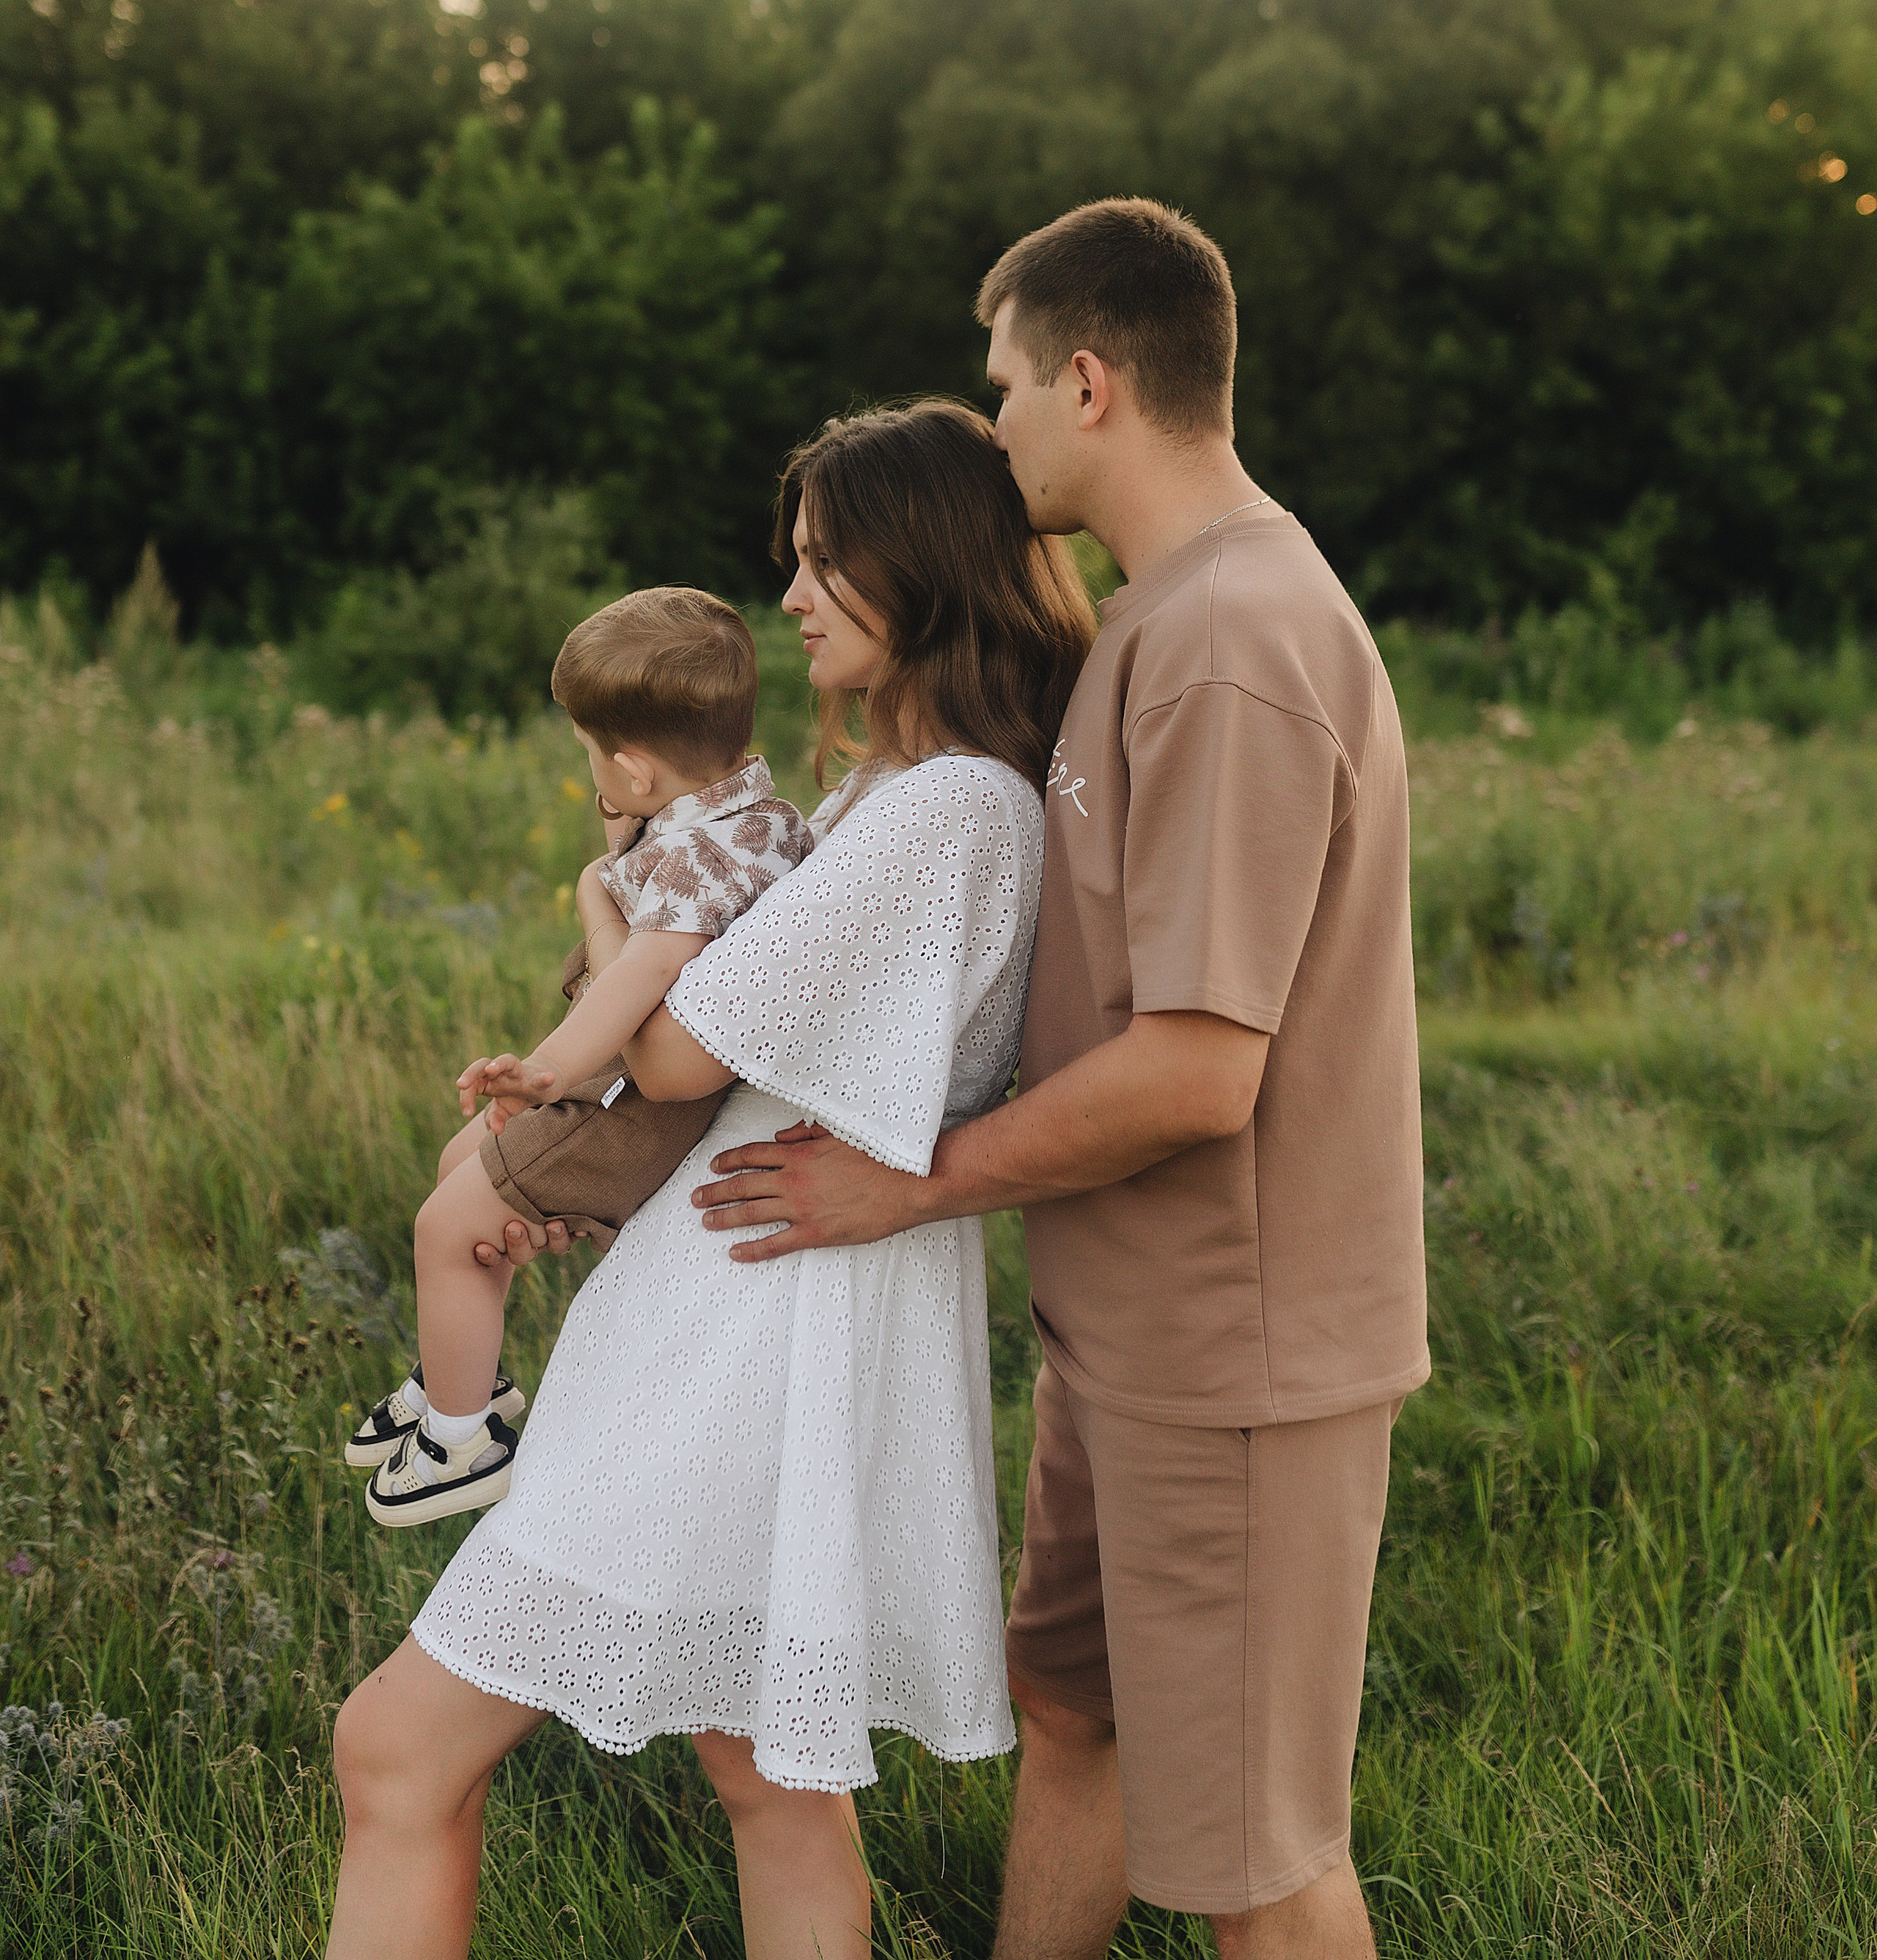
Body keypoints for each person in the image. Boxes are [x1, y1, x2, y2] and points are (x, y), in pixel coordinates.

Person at [696, 199, 1429, 1960]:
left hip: (1235, 1358)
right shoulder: (1159, 621)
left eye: (1005, 381)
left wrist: (908, 1176)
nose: (994, 419)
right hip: (1133, 1334)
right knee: (1075, 1718)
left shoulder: (1232, 644)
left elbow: (1194, 1072)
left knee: (1257, 1864)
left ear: (1088, 381)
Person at [324, 399, 1095, 1960]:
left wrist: (607, 916)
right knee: (765, 1779)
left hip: (740, 1335)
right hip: (762, 1291)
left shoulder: (946, 805)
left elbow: (678, 1055)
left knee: (394, 1746)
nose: (793, 596)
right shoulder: (914, 796)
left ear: (920, 572)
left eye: (824, 563)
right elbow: (746, 1058)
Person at [344, 584, 814, 1528]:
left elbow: (634, 992)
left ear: (635, 771)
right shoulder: (757, 818)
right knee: (457, 1170)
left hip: (645, 1112)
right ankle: (459, 1373)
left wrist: (548, 1068)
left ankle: (460, 1441)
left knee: (445, 1228)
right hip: (642, 1090)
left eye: (593, 754)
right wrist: (620, 847)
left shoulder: (693, 865)